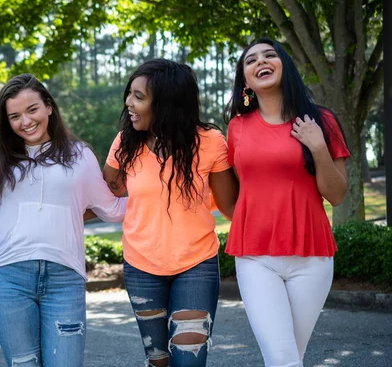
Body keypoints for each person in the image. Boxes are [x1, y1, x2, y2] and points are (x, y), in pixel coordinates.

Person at [0, 73, 128, 367]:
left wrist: (158, 196)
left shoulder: (79, 154)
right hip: (7, 277)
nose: (26, 121)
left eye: (32, 109)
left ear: (48, 106)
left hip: (64, 278)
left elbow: (109, 208)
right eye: (15, 116)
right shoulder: (2, 159)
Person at [103, 59, 239, 367]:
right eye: (130, 94)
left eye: (139, 96)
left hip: (196, 266)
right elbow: (110, 185)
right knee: (158, 361)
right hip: (141, 266)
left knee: (188, 363)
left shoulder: (210, 142)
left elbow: (230, 206)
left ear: (166, 102)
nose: (129, 103)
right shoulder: (126, 141)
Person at [224, 37, 349, 367]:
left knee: (292, 356)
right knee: (282, 358)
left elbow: (336, 195)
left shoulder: (321, 121)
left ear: (285, 66)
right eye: (251, 60)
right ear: (245, 81)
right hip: (255, 257)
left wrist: (318, 146)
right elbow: (239, 188)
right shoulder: (236, 128)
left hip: (312, 258)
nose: (260, 61)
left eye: (269, 55)